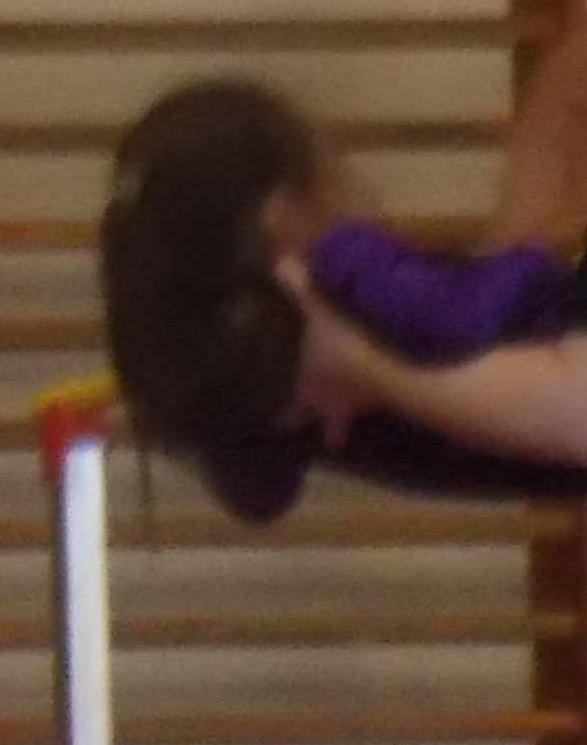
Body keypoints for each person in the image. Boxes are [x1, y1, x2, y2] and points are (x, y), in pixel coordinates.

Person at [99, 25, 587, 515]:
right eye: (331, 166)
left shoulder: (299, 373)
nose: (353, 186)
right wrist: (359, 361)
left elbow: (509, 289)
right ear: (283, 216)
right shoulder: (357, 311)